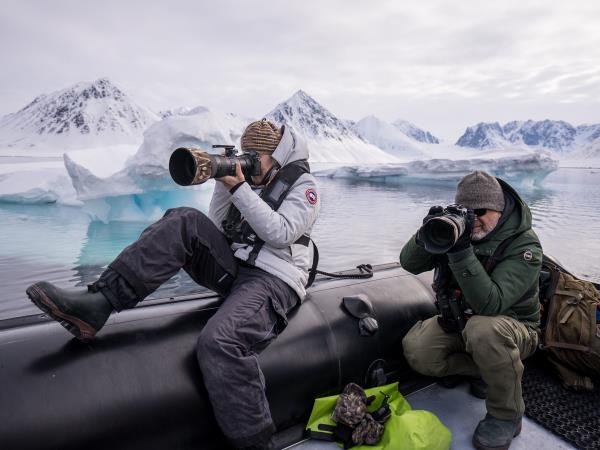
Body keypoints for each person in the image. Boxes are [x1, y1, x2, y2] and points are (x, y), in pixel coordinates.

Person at [26, 118, 321, 450]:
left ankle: (257, 444)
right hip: (238, 268)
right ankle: (99, 303)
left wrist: (240, 189)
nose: (250, 161)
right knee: (184, 220)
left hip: (274, 279)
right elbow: (217, 227)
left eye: (257, 156)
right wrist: (222, 183)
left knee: (220, 343)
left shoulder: (304, 185)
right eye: (246, 153)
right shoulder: (251, 182)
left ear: (277, 156)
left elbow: (280, 233)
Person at [400, 171, 542, 450]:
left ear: (499, 211)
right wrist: (426, 232)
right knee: (418, 351)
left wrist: (460, 250)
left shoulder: (524, 245)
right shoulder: (457, 231)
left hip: (515, 329)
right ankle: (484, 370)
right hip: (462, 321)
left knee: (483, 329)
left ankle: (507, 415)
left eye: (482, 212)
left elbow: (491, 304)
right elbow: (409, 264)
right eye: (468, 211)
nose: (474, 219)